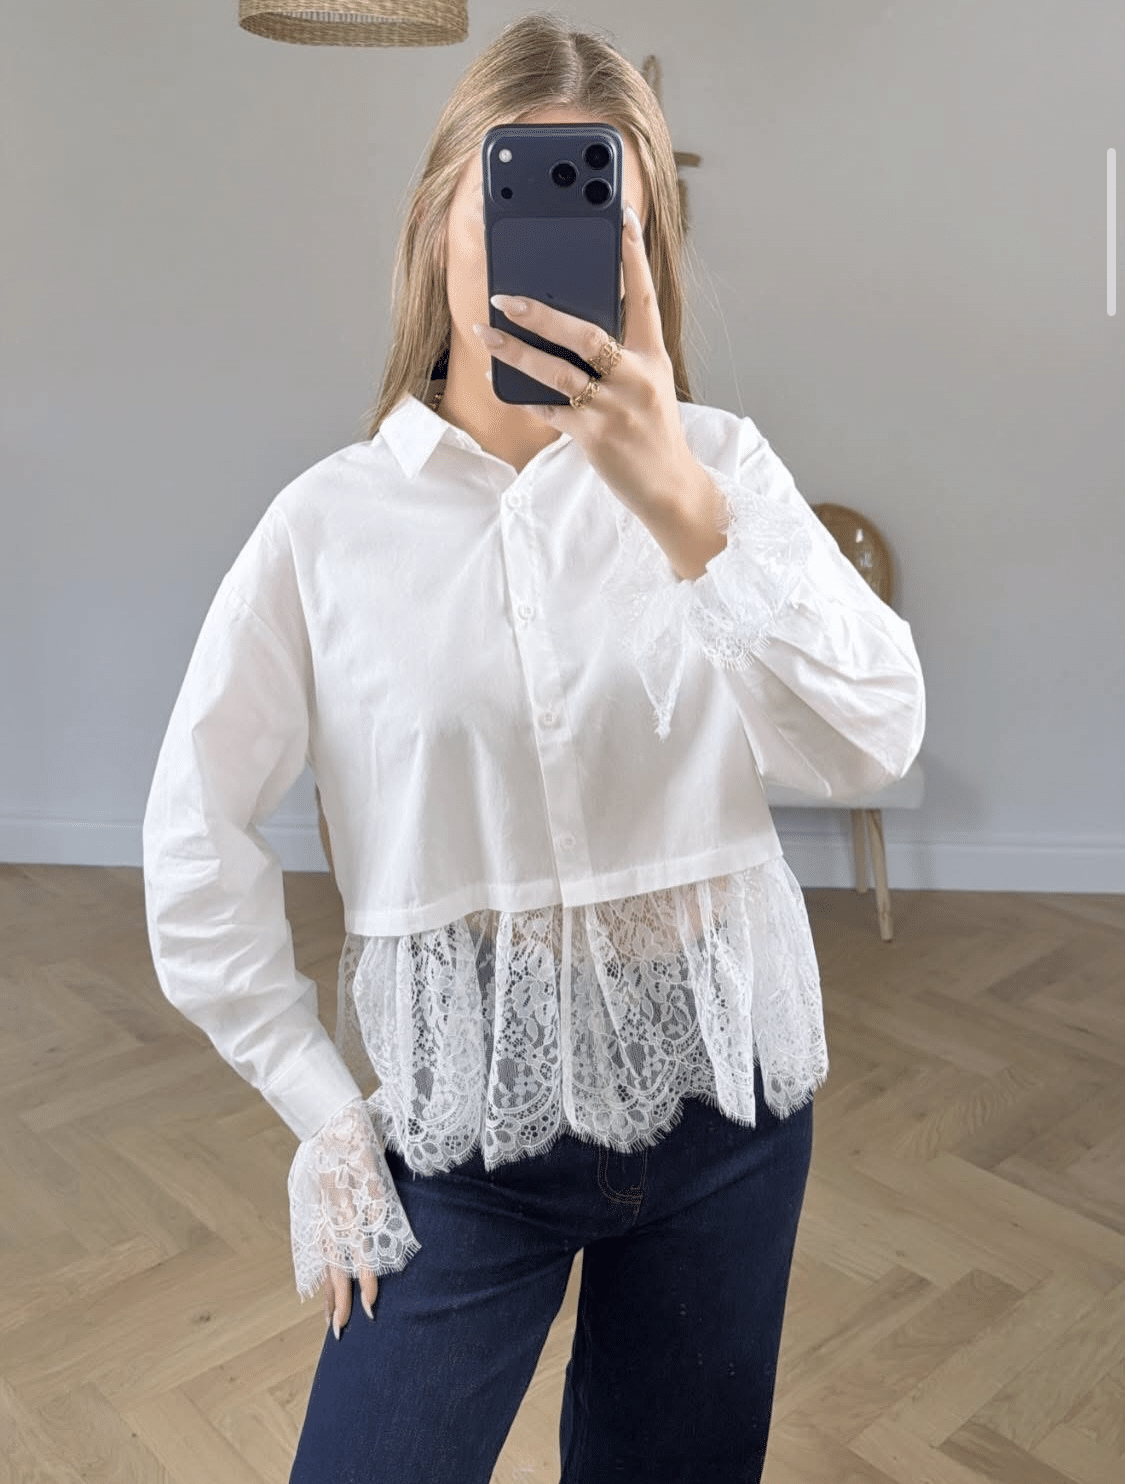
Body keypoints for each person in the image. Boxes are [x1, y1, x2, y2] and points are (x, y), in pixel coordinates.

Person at [142, 14, 925, 1483]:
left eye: (598, 215)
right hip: (462, 1140)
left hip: (728, 1113)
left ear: (645, 254)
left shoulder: (725, 472)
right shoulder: (326, 528)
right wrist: (323, 1117)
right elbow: (194, 837)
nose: (538, 257)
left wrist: (685, 512)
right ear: (433, 223)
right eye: (505, 203)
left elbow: (876, 737)